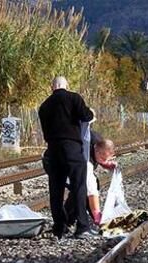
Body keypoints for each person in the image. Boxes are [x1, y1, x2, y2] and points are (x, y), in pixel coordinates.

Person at [38, 76, 94, 239]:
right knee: (79, 185)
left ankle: (59, 227)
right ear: (66, 86)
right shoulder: (74, 98)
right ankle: (82, 226)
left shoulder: (44, 106)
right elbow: (87, 116)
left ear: (52, 87)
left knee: (56, 189)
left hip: (53, 150)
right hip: (72, 148)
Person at [43, 131, 117, 225]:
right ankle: (67, 221)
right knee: (80, 189)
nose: (104, 161)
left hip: (68, 157)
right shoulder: (86, 159)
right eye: (103, 158)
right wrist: (96, 213)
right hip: (55, 163)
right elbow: (92, 191)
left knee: (81, 188)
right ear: (96, 150)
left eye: (107, 158)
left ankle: (68, 219)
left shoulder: (98, 141)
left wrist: (105, 163)